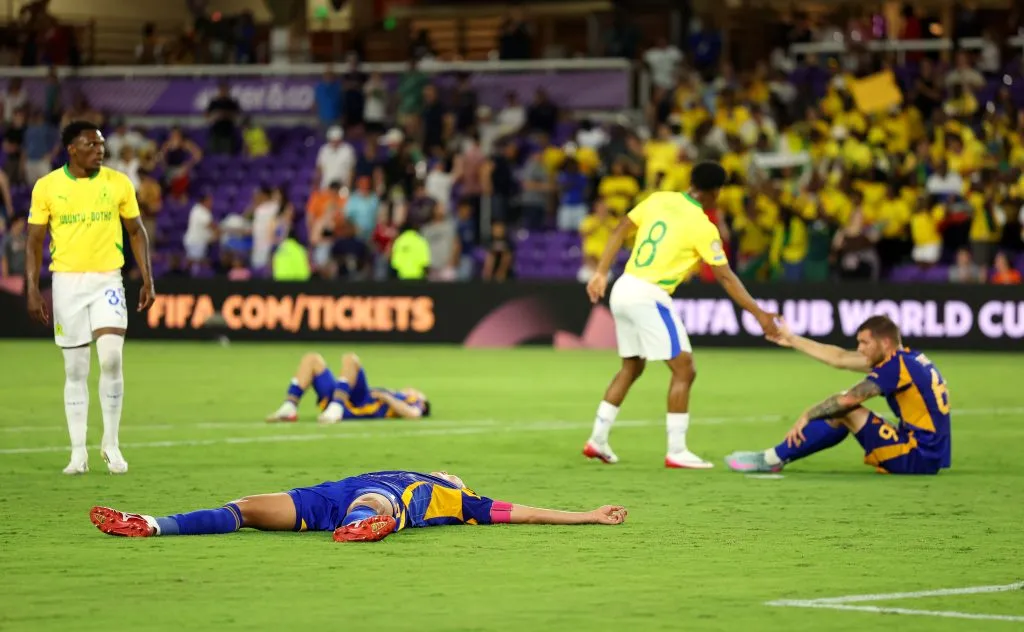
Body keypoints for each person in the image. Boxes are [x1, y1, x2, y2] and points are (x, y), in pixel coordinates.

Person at [582, 161, 779, 469]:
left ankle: (598, 439)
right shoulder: (703, 226)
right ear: (716, 192)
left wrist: (600, 273)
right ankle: (677, 450)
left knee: (631, 367)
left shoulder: (659, 198)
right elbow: (726, 277)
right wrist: (760, 313)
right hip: (650, 294)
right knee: (685, 369)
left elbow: (620, 229)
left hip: (623, 286)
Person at [25, 121, 155, 475]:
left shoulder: (118, 183)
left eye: (101, 144)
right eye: (92, 144)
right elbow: (34, 241)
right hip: (67, 282)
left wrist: (147, 278)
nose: (100, 149)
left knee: (111, 359)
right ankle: (78, 452)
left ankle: (111, 444)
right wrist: (33, 288)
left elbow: (136, 231)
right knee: (76, 368)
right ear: (72, 149)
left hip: (108, 280)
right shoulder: (48, 186)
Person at [89, 470, 628, 542]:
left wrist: (587, 514)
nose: (449, 472)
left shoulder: (459, 499)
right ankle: (152, 524)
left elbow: (526, 512)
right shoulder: (403, 467)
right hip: (324, 496)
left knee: (378, 501)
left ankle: (367, 526)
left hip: (383, 500)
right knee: (245, 506)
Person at [725, 315, 951, 476]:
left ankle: (772, 459)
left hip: (917, 457)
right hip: (928, 454)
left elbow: (848, 400)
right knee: (842, 407)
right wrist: (792, 339)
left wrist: (807, 415)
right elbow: (840, 358)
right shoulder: (907, 360)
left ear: (885, 342)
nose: (860, 349)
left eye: (864, 342)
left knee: (845, 407)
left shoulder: (895, 368)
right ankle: (776, 457)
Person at [266, 351, 430, 424]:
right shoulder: (397, 393)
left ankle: (336, 408)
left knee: (351, 359)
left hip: (360, 402)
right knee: (312, 359)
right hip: (344, 394)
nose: (412, 389)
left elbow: (413, 414)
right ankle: (289, 407)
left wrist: (387, 397)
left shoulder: (414, 401)